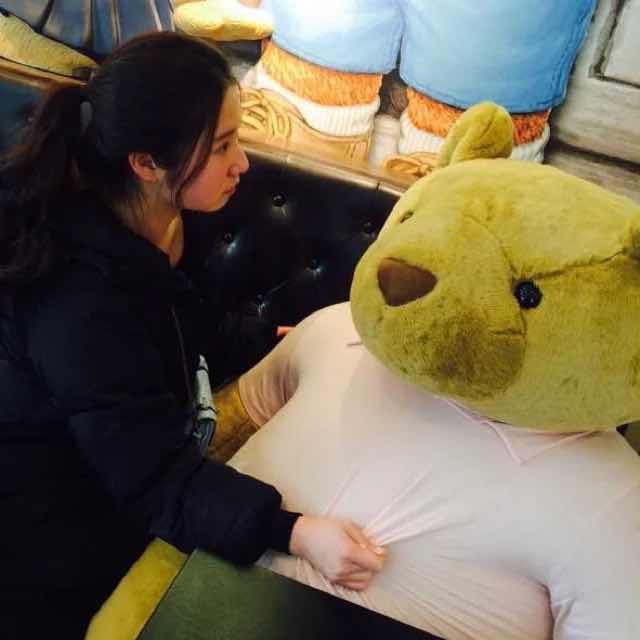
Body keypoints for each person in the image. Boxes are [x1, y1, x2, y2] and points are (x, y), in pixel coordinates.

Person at [0, 32, 384, 639]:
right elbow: (151, 477)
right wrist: (294, 532)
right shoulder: (78, 300)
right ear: (146, 164)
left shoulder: (150, 220)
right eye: (223, 146)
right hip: (45, 554)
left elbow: (176, 324)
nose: (243, 163)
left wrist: (268, 337)